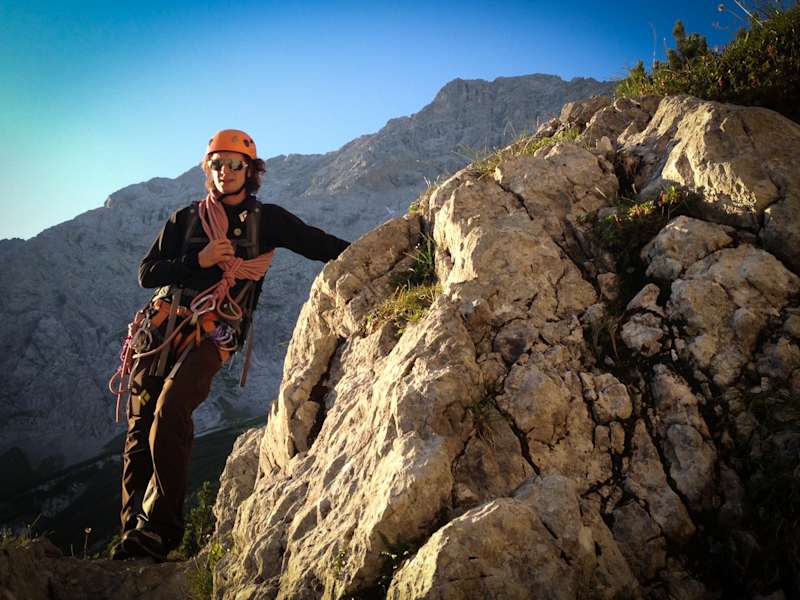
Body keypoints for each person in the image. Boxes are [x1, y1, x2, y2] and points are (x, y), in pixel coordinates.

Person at [111, 129, 349, 560]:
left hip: (217, 330)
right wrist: (196, 262)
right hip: (163, 327)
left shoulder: (268, 220)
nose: (225, 171)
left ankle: (162, 531)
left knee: (171, 409)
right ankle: (133, 533)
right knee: (140, 425)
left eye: (234, 164)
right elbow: (147, 274)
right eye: (216, 164)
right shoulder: (186, 219)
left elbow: (319, 244)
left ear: (251, 170)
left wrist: (386, 253)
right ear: (209, 169)